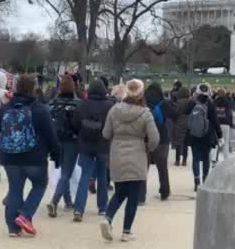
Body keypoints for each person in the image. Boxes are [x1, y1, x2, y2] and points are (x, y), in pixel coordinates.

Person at [0, 75, 60, 237]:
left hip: (9, 156)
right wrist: (56, 154)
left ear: (16, 88)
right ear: (34, 89)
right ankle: (25, 215)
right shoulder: (41, 109)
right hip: (35, 157)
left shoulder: (5, 108)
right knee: (40, 185)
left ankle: (12, 228)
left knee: (15, 189)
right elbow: (51, 135)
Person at [100, 79, 159, 243]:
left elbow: (105, 134)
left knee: (120, 192)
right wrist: (147, 148)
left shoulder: (114, 110)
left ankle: (108, 217)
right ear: (141, 93)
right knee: (133, 196)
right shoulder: (145, 113)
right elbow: (155, 139)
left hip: (117, 153)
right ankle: (126, 231)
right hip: (137, 154)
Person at [71, 79, 115, 221]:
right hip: (102, 144)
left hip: (85, 144)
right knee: (102, 177)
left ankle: (79, 209)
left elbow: (75, 123)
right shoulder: (109, 105)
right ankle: (102, 207)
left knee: (85, 176)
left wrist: (80, 135)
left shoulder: (82, 104)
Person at [46, 76, 81, 217]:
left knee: (63, 172)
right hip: (71, 141)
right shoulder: (77, 103)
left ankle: (67, 201)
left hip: (56, 140)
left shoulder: (52, 103)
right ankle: (54, 201)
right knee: (66, 172)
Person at [141, 82, 177, 202]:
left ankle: (141, 194)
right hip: (162, 138)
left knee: (143, 168)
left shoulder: (143, 102)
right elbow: (175, 115)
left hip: (145, 139)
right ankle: (164, 191)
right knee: (162, 168)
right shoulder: (163, 103)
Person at [187, 84, 222, 192]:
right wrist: (220, 135)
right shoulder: (210, 104)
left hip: (194, 134)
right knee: (206, 158)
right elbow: (215, 121)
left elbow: (186, 116)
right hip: (207, 134)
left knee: (195, 158)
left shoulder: (192, 103)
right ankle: (205, 179)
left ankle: (196, 180)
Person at [172, 87, 192, 166]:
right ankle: (184, 160)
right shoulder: (190, 102)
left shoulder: (178, 102)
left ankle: (177, 160)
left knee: (178, 142)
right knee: (185, 142)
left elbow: (175, 113)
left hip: (179, 123)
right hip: (188, 123)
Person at [214, 89, 234, 162]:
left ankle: (214, 159)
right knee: (225, 142)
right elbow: (230, 114)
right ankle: (226, 159)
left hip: (216, 124)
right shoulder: (228, 102)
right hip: (225, 124)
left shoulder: (214, 102)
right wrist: (231, 124)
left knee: (216, 143)